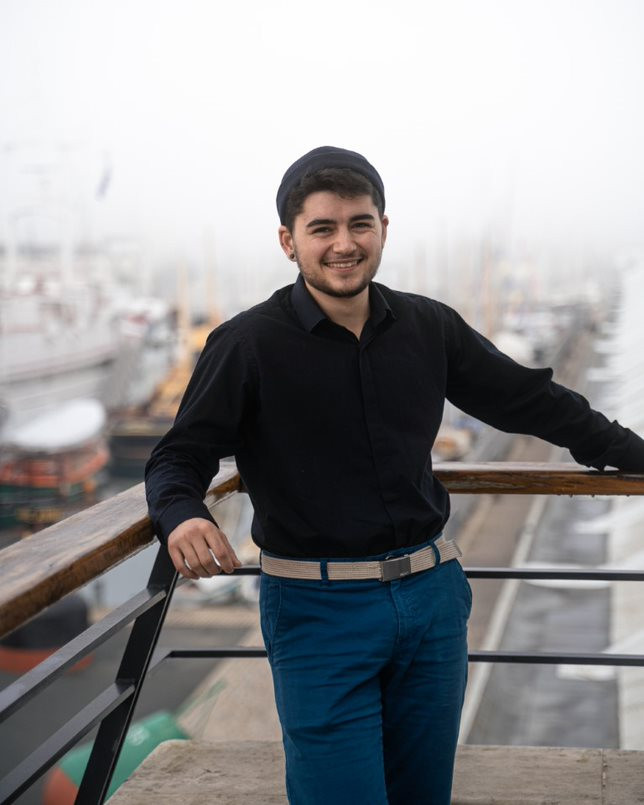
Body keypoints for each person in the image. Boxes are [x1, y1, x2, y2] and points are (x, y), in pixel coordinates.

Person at [145, 146, 644, 804]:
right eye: (323, 228)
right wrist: (182, 513)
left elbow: (533, 402)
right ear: (288, 241)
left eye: (361, 223)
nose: (344, 243)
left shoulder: (427, 326)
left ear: (384, 228)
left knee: (423, 795)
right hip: (316, 613)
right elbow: (178, 455)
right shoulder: (247, 344)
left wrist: (632, 452)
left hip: (433, 599)